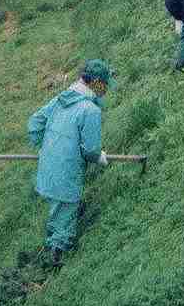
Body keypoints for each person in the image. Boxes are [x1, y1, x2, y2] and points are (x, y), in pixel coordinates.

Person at [27, 59, 117, 266]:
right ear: (95, 83)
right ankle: (57, 261)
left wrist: (48, 148)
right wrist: (99, 157)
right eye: (104, 84)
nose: (106, 89)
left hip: (48, 167)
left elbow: (34, 123)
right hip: (66, 172)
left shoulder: (62, 98)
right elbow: (91, 150)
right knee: (65, 215)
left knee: (57, 210)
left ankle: (52, 245)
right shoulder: (90, 111)